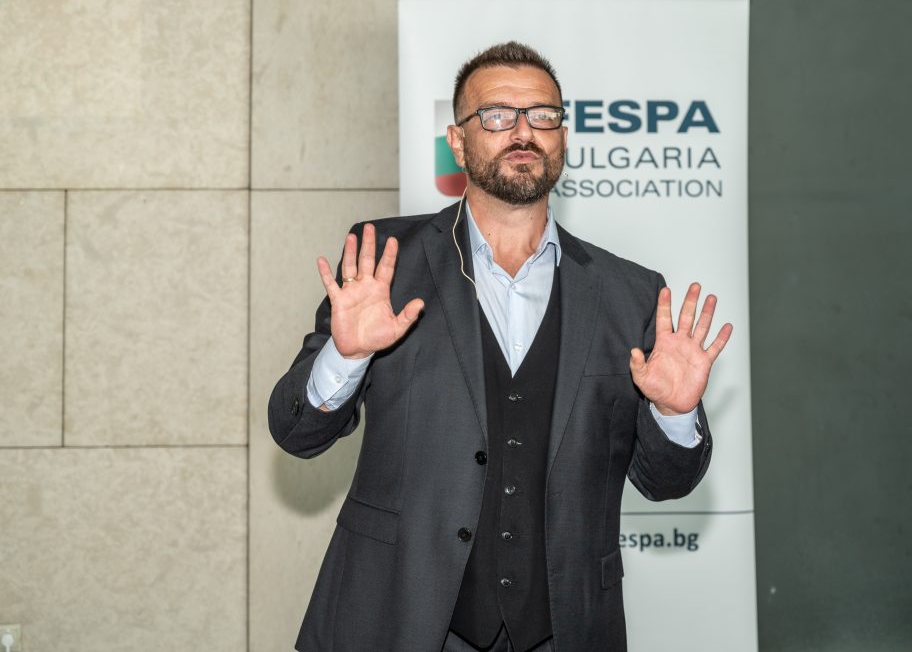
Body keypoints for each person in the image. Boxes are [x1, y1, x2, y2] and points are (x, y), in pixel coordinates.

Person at [269, 41, 732, 652]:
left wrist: (673, 415)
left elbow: (665, 482)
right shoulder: (385, 264)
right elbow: (296, 432)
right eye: (496, 116)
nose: (523, 131)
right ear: (458, 142)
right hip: (395, 615)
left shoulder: (631, 294)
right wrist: (346, 356)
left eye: (542, 115)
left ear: (563, 136)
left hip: (566, 630)